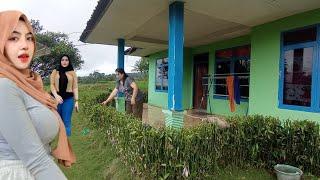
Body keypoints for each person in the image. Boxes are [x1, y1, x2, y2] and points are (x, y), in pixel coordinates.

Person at [0, 11, 75, 179]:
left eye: (29, 38)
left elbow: (74, 87)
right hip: (18, 172)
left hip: (38, 169)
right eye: (13, 38)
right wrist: (56, 94)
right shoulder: (4, 86)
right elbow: (36, 159)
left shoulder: (30, 83)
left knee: (67, 121)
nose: (25, 45)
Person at [50, 54, 79, 137]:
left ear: (69, 61)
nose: (64, 61)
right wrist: (56, 96)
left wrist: (77, 101)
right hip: (55, 100)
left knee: (66, 122)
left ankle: (66, 146)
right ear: (60, 61)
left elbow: (75, 87)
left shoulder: (72, 72)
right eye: (62, 60)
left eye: (66, 60)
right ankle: (57, 144)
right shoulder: (55, 71)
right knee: (56, 122)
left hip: (68, 100)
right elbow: (52, 85)